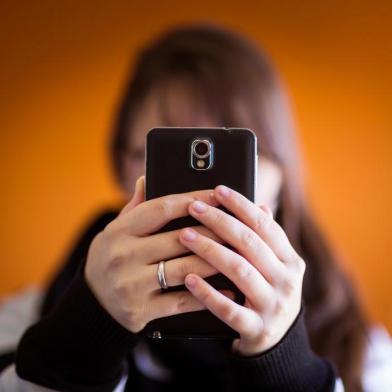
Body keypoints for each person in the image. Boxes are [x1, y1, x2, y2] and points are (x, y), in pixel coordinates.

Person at [0, 23, 391, 392]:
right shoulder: (28, 325)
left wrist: (287, 366)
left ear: (282, 178)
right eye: (171, 157)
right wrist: (88, 328)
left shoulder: (363, 354)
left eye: (237, 160)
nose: (206, 191)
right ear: (122, 168)